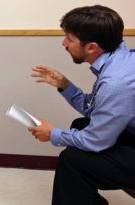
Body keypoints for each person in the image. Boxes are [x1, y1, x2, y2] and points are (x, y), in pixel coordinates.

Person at [29, 5, 135, 205]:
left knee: (71, 161)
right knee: (81, 124)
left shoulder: (115, 82)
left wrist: (52, 133)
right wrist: (65, 86)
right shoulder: (120, 60)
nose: (64, 43)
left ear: (92, 47)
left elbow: (96, 141)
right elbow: (97, 109)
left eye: (69, 39)